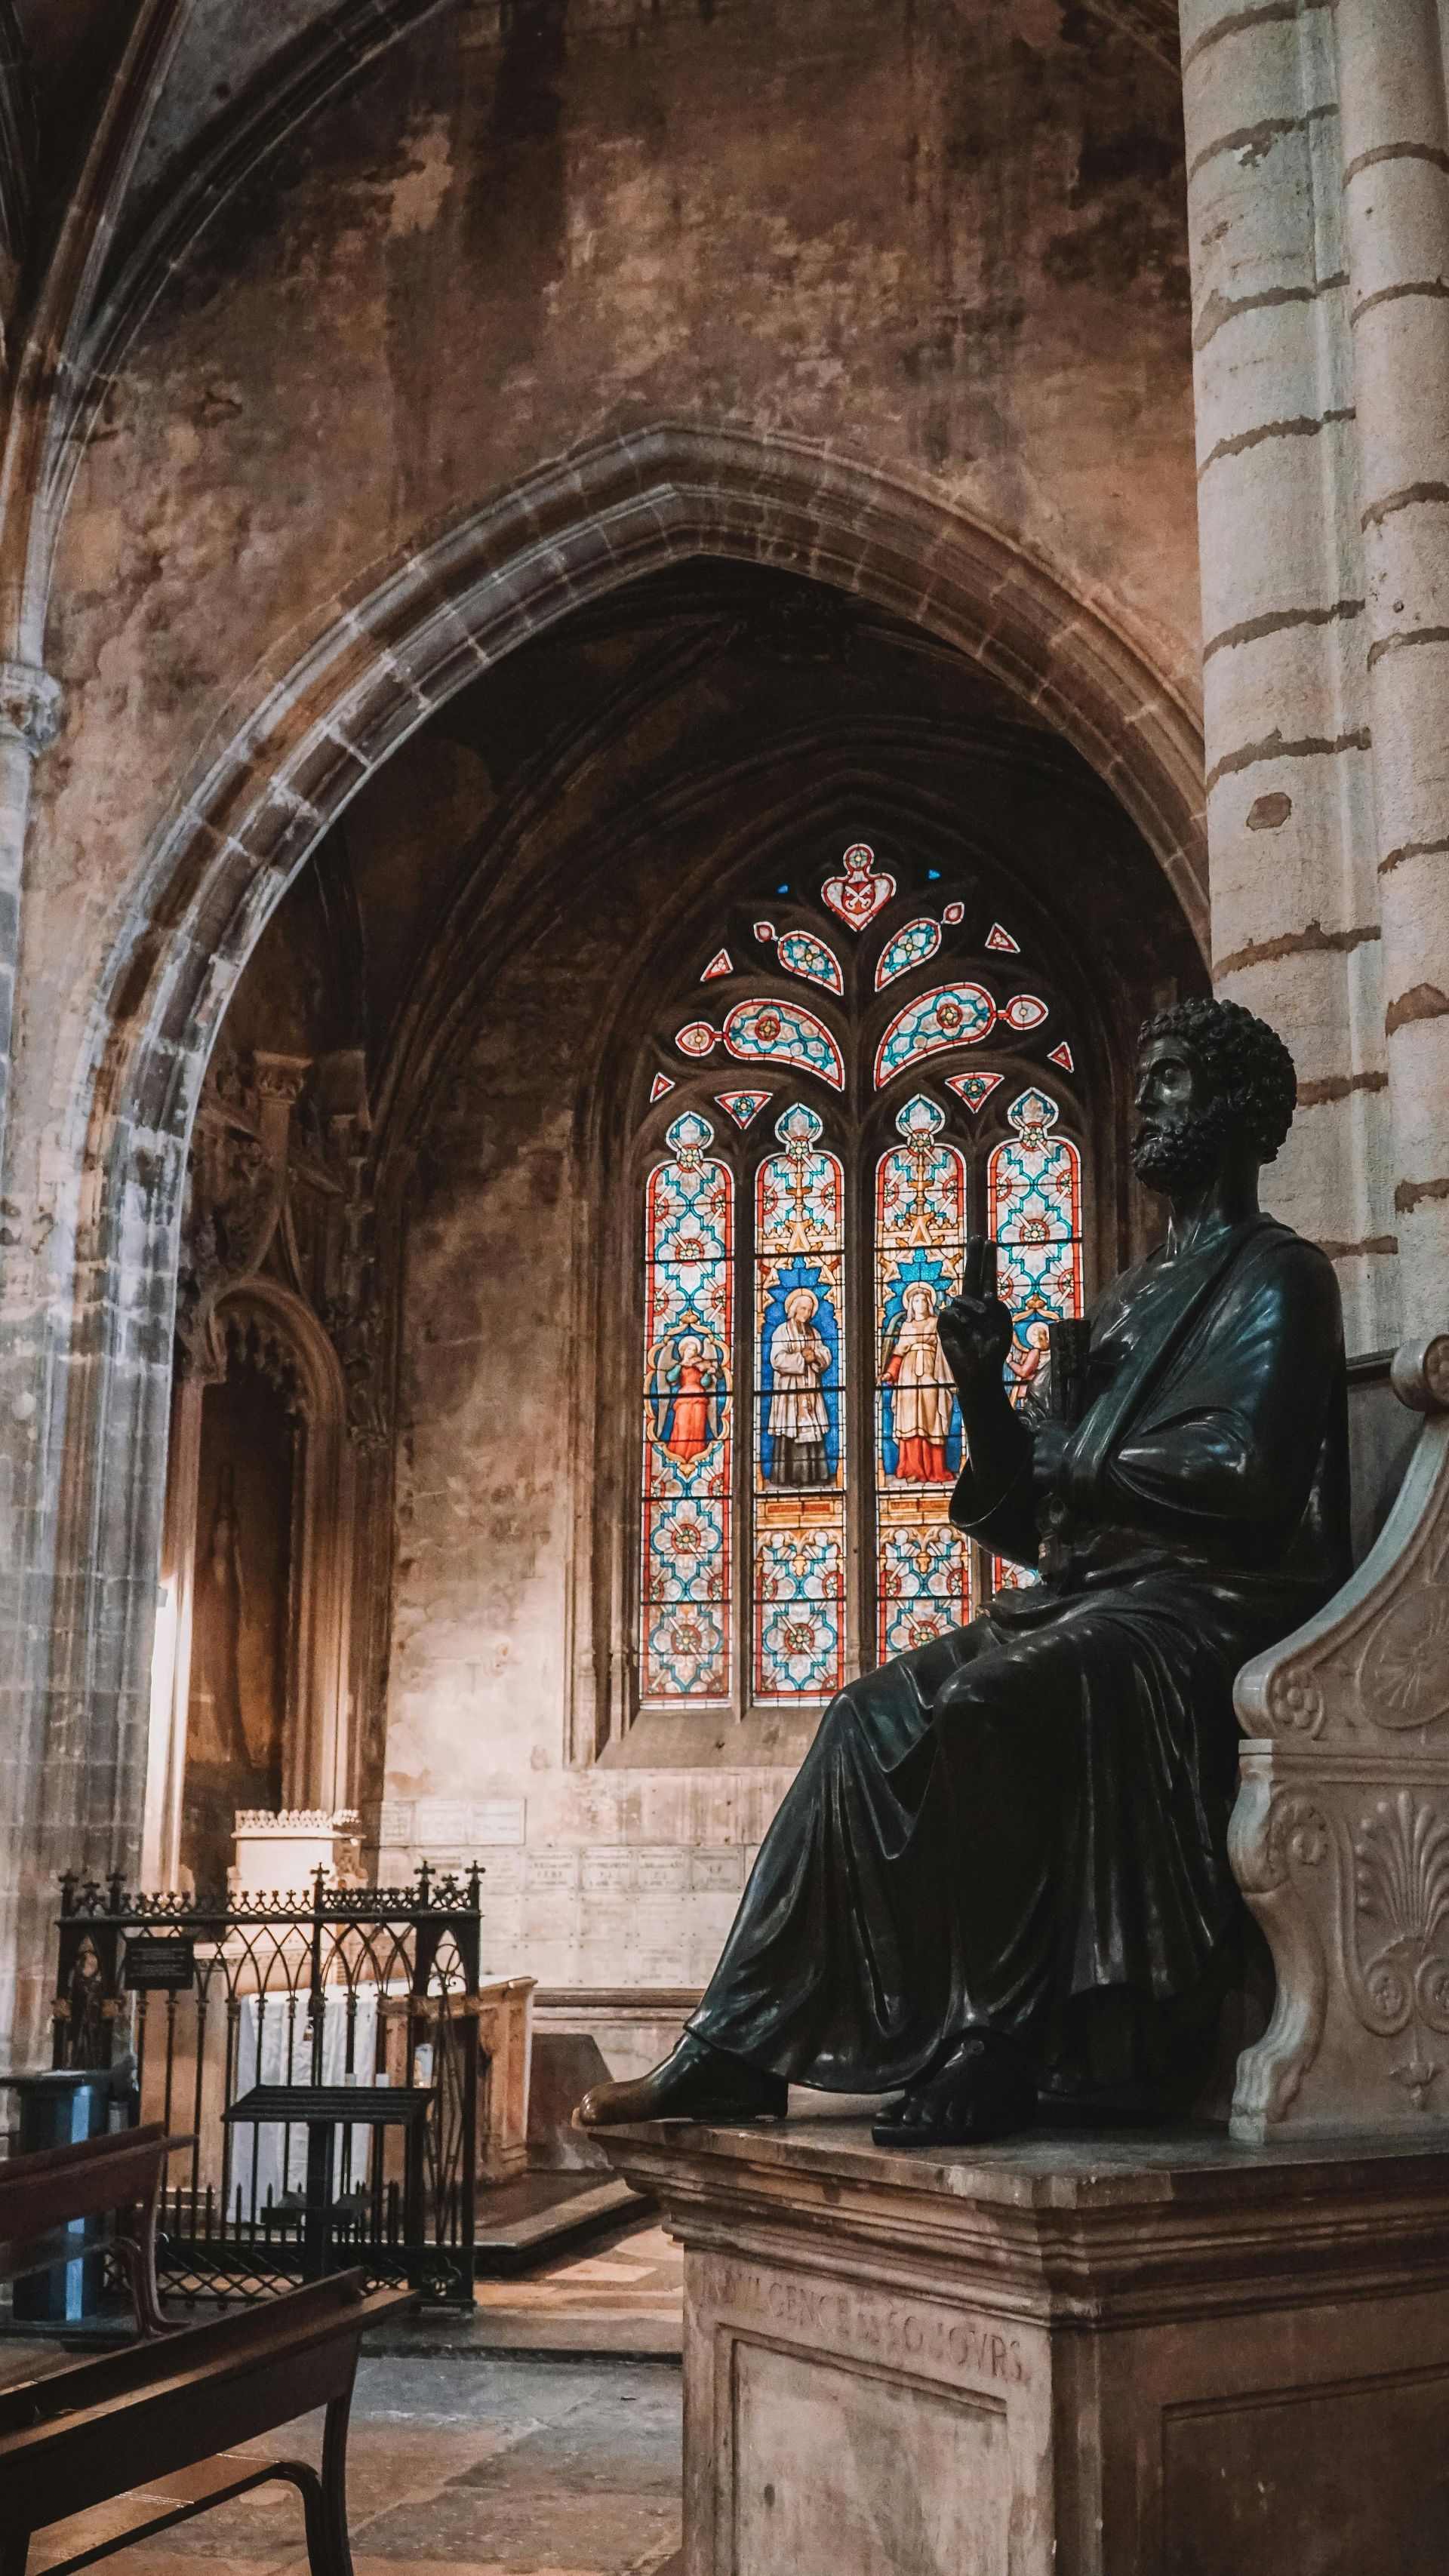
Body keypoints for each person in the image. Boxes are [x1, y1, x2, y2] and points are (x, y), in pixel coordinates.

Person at [580, 999, 1351, 2146]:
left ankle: (997, 2035)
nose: (1148, 1102)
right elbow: (1035, 1507)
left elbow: (1246, 1474)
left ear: (1238, 1111)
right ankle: (738, 2042)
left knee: (990, 1700)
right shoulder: (1136, 1294)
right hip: (1091, 1593)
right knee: (862, 1716)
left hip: (1200, 1605)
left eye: (1176, 1079)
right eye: (1147, 1079)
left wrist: (1075, 1454)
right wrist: (982, 1384)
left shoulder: (1281, 1276)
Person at [883, 1280, 956, 1481]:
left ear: (929, 1303)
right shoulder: (906, 1326)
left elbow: (945, 1350)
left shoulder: (936, 1323)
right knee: (910, 1420)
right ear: (910, 1305)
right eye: (916, 1301)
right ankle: (912, 1470)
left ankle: (935, 1469)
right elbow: (899, 1352)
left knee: (931, 1418)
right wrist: (890, 1373)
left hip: (932, 1372)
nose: (920, 1304)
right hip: (908, 1374)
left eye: (923, 1300)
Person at [765, 1286, 832, 1486]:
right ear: (794, 1308)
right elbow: (776, 1359)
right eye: (803, 1309)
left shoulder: (814, 1332)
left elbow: (825, 1354)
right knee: (791, 1429)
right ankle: (792, 1476)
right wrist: (800, 1358)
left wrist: (816, 1357)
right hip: (790, 1389)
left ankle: (815, 1475)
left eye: (809, 1310)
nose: (806, 1313)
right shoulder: (782, 1331)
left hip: (810, 1386)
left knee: (812, 1429)